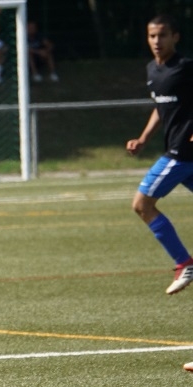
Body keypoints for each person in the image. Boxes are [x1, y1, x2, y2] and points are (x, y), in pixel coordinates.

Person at [125, 14, 193, 296]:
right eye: (152, 35)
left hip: (181, 152)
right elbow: (160, 107)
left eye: (162, 35)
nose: (156, 40)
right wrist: (143, 139)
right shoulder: (152, 70)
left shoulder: (186, 67)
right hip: (182, 153)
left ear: (175, 37)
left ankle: (184, 263)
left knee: (142, 205)